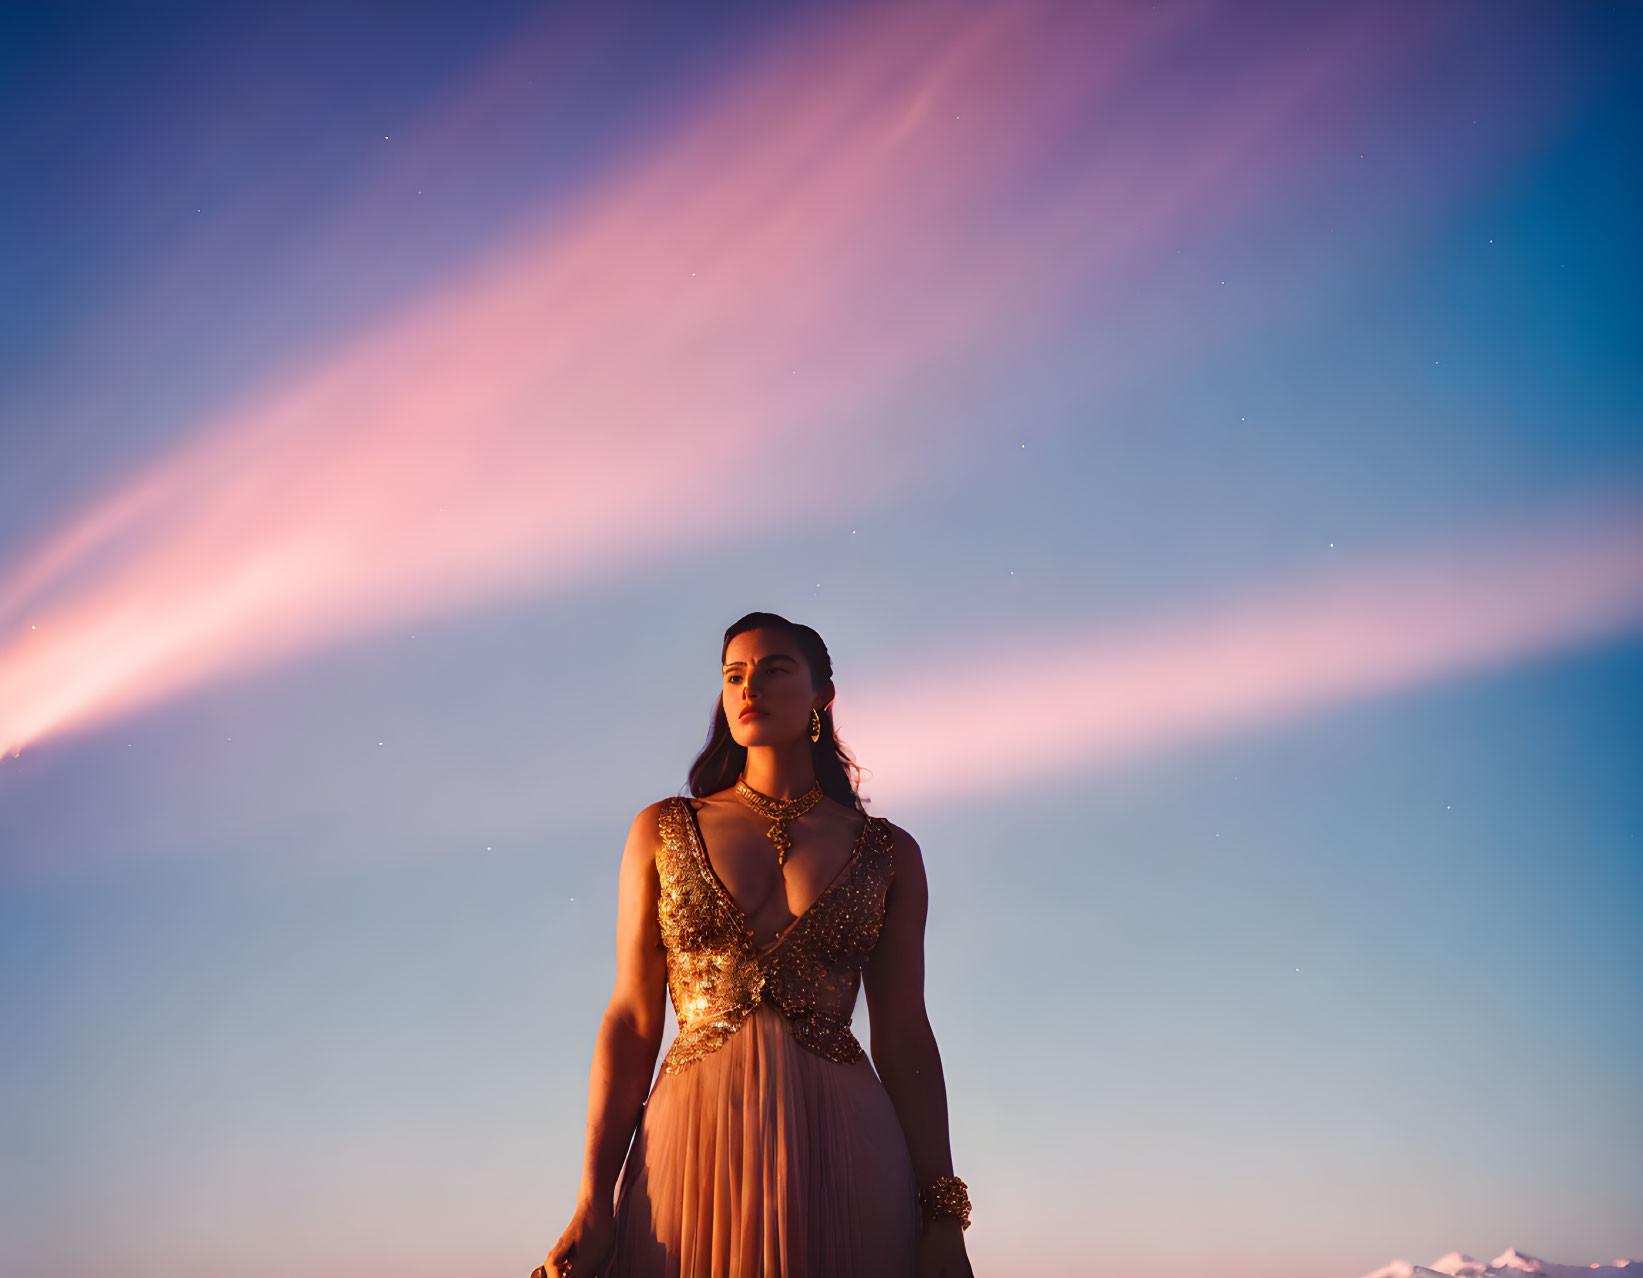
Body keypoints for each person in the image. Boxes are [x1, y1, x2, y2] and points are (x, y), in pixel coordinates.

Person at [534, 611, 975, 1278]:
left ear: (822, 696)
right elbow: (630, 1017)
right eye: (734, 675)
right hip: (690, 1141)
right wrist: (592, 1200)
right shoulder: (661, 828)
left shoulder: (889, 852)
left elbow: (905, 1032)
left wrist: (942, 1216)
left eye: (774, 670)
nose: (749, 688)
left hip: (847, 1143)